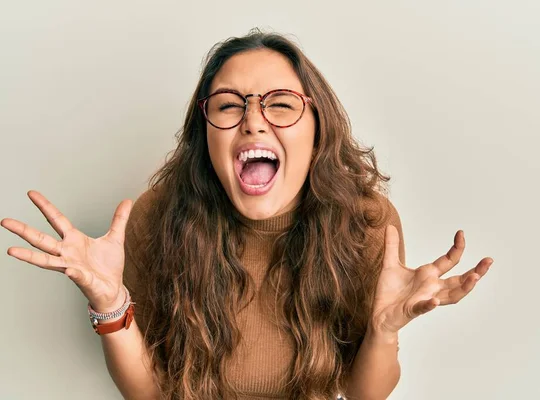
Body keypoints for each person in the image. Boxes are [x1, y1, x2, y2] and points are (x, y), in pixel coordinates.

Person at [1, 29, 493, 400]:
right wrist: (109, 302)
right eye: (229, 105)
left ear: (317, 129)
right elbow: (147, 393)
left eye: (281, 104)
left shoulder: (364, 223)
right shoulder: (161, 216)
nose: (253, 120)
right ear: (207, 134)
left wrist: (384, 329)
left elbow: (365, 394)